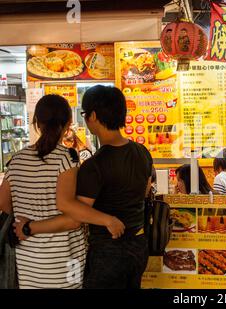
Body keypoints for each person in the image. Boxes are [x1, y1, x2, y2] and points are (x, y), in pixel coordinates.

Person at [0, 95, 122, 288]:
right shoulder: (66, 159)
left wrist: (27, 220)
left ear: (36, 123)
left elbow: (4, 204)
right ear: (68, 124)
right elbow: (73, 219)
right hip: (65, 261)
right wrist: (108, 220)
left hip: (28, 260)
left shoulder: (16, 160)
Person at [58, 85, 153, 289]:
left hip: (108, 251)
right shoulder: (142, 151)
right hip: (139, 246)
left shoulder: (94, 165)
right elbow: (145, 190)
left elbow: (77, 216)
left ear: (92, 115)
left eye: (84, 114)